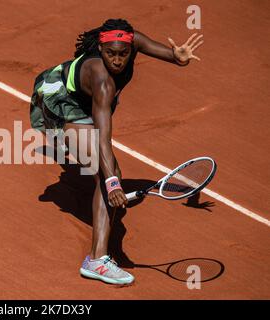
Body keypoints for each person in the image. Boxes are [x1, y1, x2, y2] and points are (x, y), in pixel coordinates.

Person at [29, 18, 203, 285]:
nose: (118, 60)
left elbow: (164, 52)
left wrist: (176, 57)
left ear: (130, 47)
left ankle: (72, 140)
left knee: (101, 163)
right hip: (58, 94)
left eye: (123, 54)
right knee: (108, 169)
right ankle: (97, 260)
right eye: (111, 53)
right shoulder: (102, 81)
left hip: (87, 99)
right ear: (100, 48)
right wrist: (112, 184)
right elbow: (103, 139)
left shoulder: (133, 42)